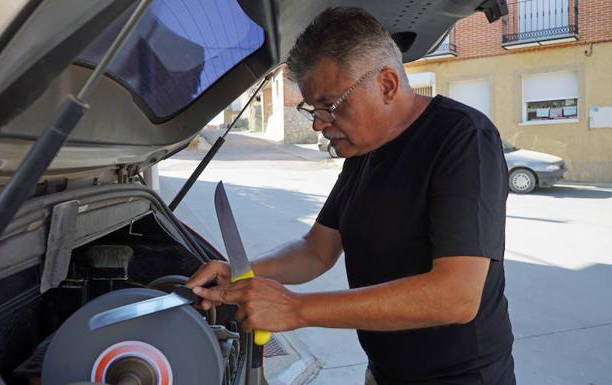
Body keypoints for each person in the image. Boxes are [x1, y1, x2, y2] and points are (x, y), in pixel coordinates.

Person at [187, 7, 515, 385]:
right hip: (383, 373)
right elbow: (316, 251)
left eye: (330, 106)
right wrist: (242, 272)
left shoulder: (462, 139)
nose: (318, 123)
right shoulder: (364, 152)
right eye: (313, 108)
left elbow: (456, 295)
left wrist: (296, 309)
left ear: (387, 85)